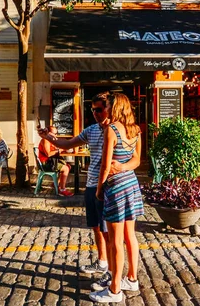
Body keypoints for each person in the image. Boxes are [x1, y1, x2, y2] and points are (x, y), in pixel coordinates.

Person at [38, 92, 139, 286]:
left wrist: (119, 169)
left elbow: (129, 160)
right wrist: (49, 137)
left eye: (100, 109)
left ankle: (113, 275)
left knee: (112, 234)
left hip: (109, 185)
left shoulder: (119, 130)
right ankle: (103, 263)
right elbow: (67, 143)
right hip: (93, 183)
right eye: (92, 110)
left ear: (110, 108)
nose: (95, 113)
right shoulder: (92, 130)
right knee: (97, 227)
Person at [89, 93, 143, 303]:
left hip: (116, 187)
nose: (107, 110)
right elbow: (137, 160)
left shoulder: (112, 130)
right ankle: (132, 278)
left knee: (115, 241)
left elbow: (105, 164)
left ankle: (114, 289)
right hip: (131, 183)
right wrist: (124, 166)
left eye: (109, 106)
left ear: (116, 108)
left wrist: (100, 188)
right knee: (131, 236)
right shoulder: (136, 130)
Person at [38, 125, 73, 196]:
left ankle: (55, 183)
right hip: (46, 163)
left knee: (68, 166)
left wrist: (60, 149)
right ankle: (62, 189)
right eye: (54, 133)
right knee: (65, 169)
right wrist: (59, 150)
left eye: (56, 133)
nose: (56, 135)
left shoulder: (51, 140)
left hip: (50, 161)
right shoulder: (46, 140)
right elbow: (48, 154)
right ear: (48, 132)